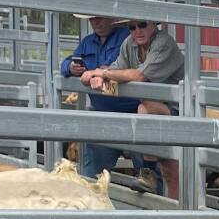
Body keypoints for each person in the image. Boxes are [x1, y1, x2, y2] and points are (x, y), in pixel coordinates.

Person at [81, 19, 184, 198]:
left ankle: (150, 177)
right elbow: (114, 69)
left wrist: (100, 73)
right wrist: (97, 78)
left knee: (172, 169)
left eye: (142, 25)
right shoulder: (129, 43)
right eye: (132, 27)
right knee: (168, 167)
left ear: (154, 25)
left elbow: (139, 76)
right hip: (152, 114)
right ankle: (160, 196)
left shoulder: (163, 43)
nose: (137, 31)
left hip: (180, 111)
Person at [61, 14, 151, 180]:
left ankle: (156, 200)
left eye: (100, 18)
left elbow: (119, 68)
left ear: (112, 19)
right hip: (104, 114)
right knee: (93, 169)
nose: (96, 23)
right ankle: (90, 201)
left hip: (134, 112)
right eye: (92, 20)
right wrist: (70, 67)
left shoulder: (126, 38)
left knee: (147, 167)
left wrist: (99, 73)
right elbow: (65, 64)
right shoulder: (88, 42)